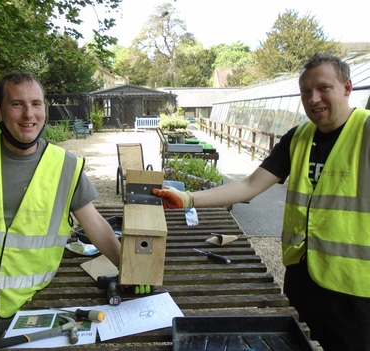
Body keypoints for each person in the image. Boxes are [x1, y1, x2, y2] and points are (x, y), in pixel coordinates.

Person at [152, 53, 370, 351]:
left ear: (347, 88)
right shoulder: (299, 137)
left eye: (323, 88)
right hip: (302, 277)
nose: (313, 98)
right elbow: (249, 185)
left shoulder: (365, 132)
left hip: (355, 289)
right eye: (305, 91)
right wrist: (188, 198)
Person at [0, 70, 121, 351]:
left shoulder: (66, 166)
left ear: (45, 108)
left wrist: (130, 269)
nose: (29, 114)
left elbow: (97, 225)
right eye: (17, 104)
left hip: (27, 306)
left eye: (36, 104)